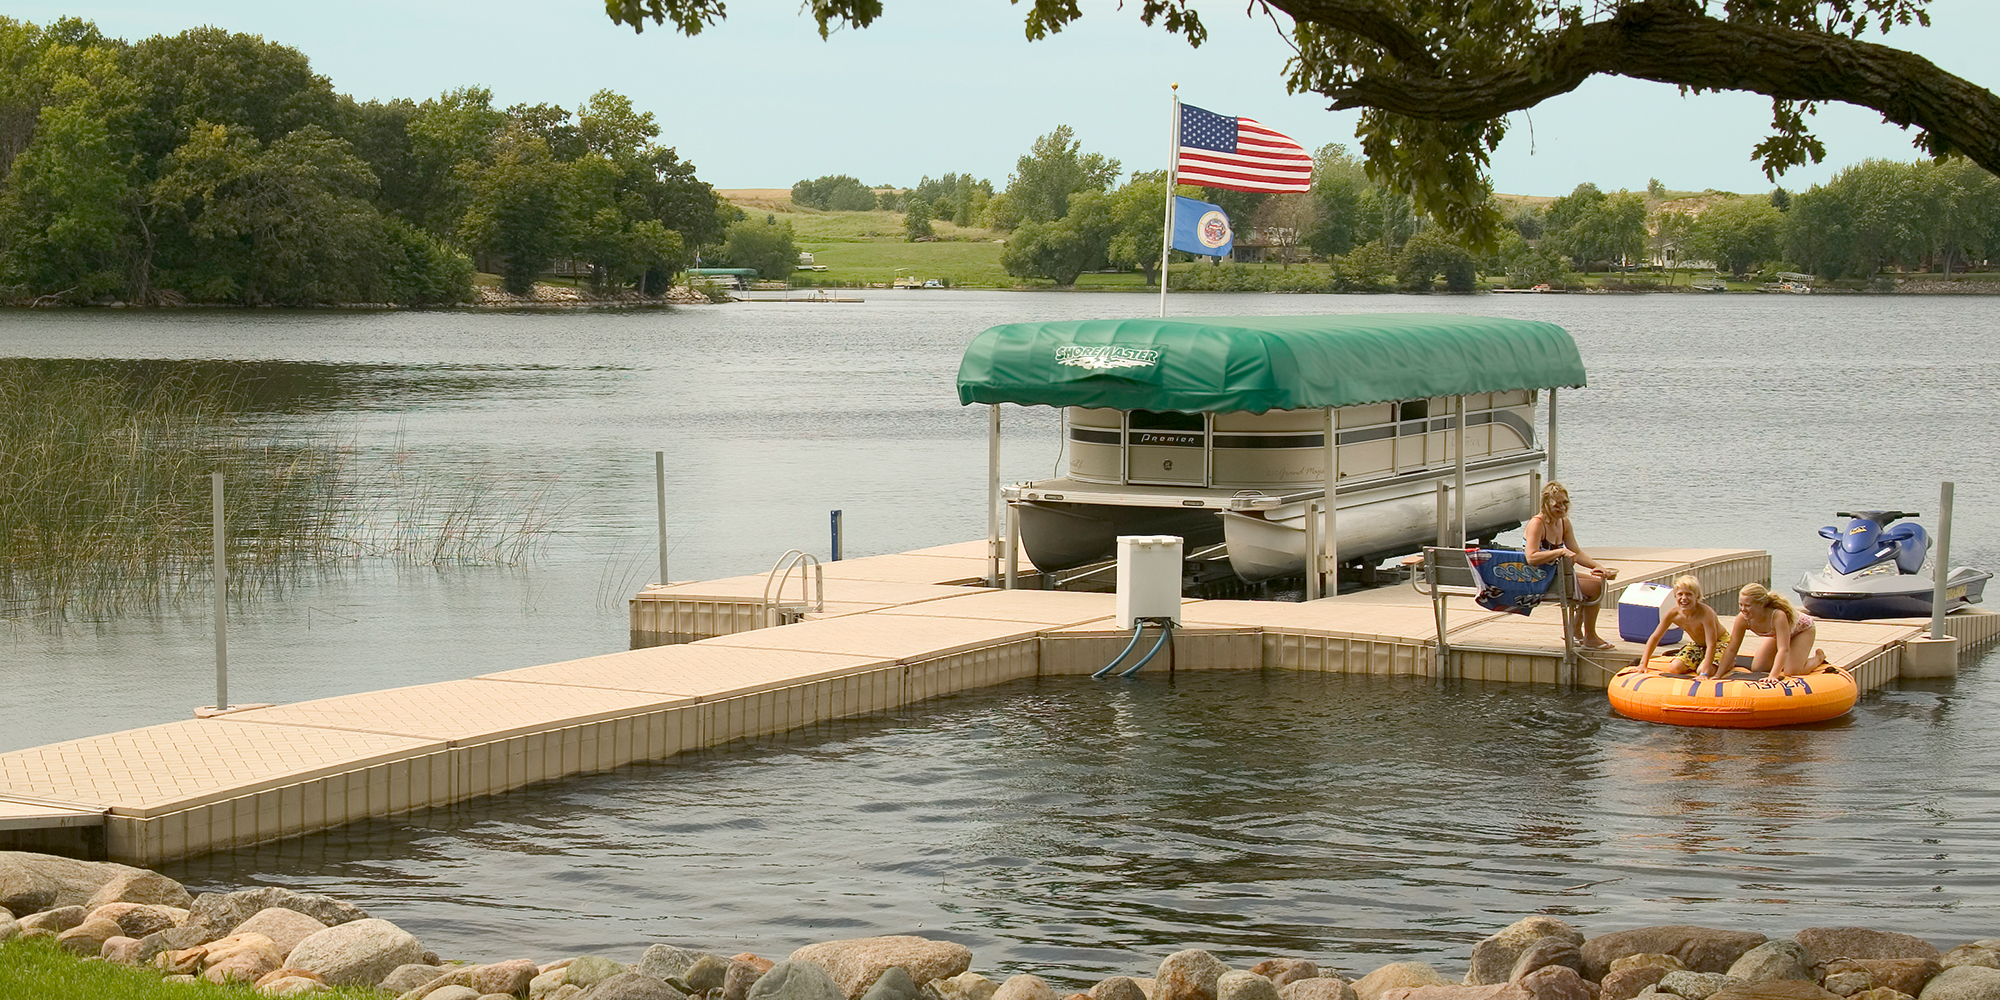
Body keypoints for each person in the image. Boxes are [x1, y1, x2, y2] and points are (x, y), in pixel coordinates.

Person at [1523, 481, 1618, 649]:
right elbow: (1531, 557)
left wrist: (1599, 567)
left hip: (1557, 575)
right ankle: (1589, 637)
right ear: (1545, 504)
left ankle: (1576, 630)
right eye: (1556, 504)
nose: (1562, 508)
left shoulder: (1564, 522)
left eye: (1564, 503)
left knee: (1599, 580)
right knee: (1595, 587)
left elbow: (1577, 552)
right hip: (1538, 578)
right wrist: (1560, 552)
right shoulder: (1537, 524)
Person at [1717, 583, 1829, 681]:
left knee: (1792, 671)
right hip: (1777, 633)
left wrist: (1773, 676)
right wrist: (1718, 675)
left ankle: (1819, 657)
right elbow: (1732, 648)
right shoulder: (1743, 618)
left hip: (1802, 630)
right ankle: (1789, 660)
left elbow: (1783, 648)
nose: (1743, 609)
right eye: (1740, 604)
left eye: (1747, 605)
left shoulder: (1777, 616)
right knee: (1758, 668)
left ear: (1761, 605)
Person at [1633, 575, 1729, 676]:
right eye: (1680, 594)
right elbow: (1655, 638)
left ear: (1697, 597)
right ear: (1675, 596)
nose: (1684, 598)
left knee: (1703, 670)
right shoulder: (1673, 614)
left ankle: (1729, 661)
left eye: (1689, 594)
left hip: (1719, 642)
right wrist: (1643, 664)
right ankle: (1701, 660)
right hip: (1699, 644)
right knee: (1675, 667)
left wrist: (1704, 673)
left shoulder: (1705, 613)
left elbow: (1711, 644)